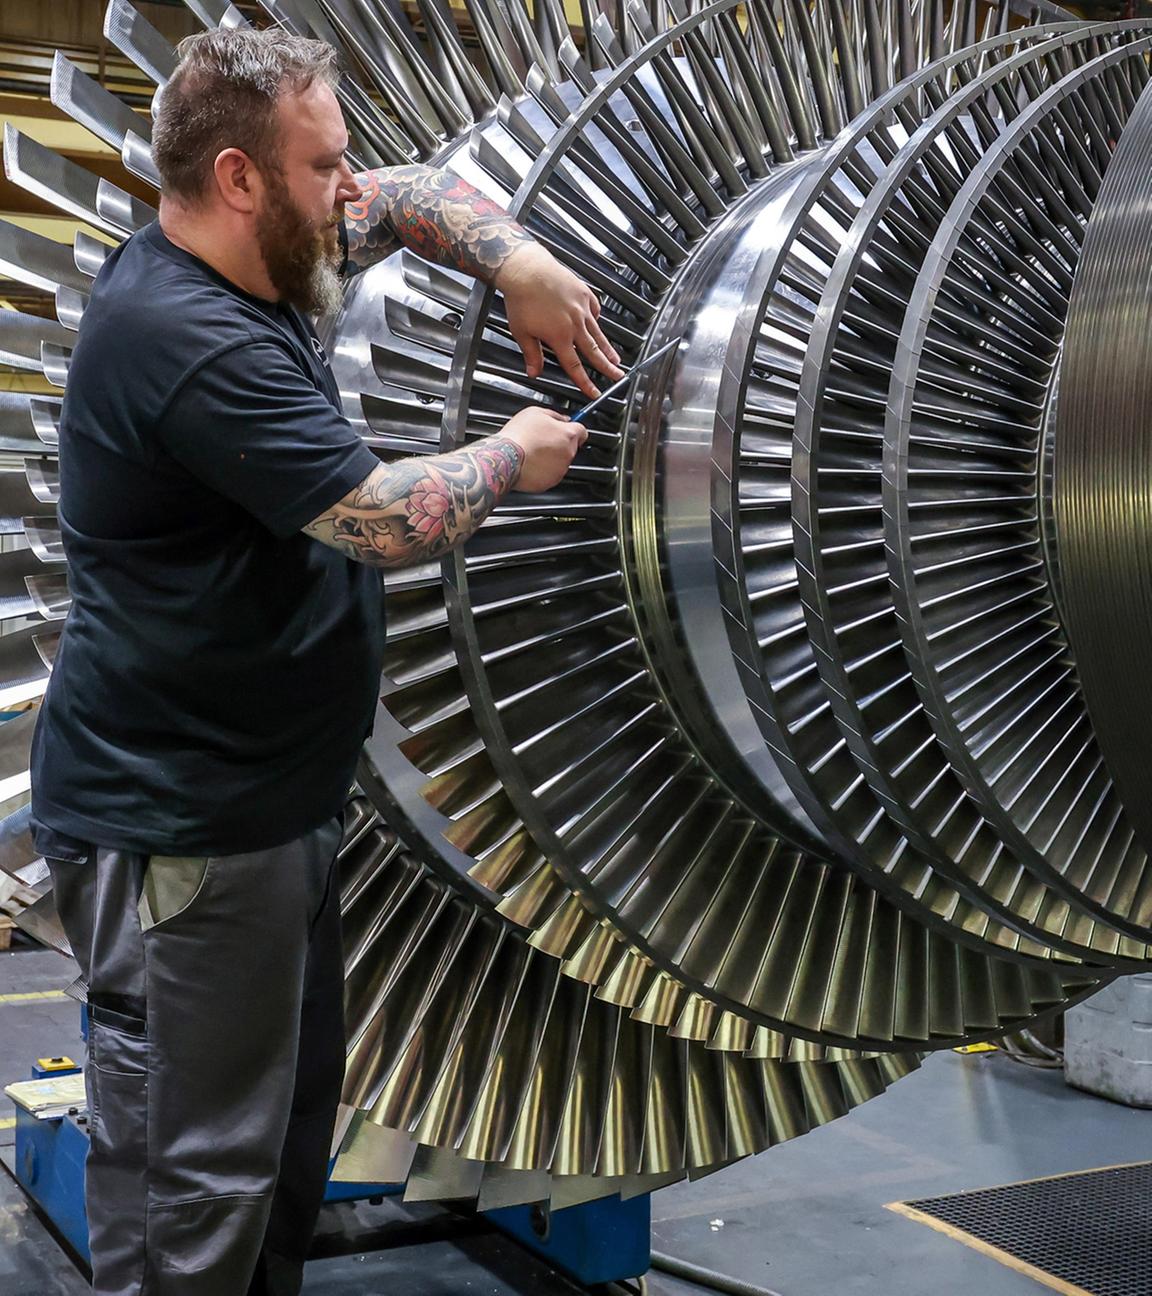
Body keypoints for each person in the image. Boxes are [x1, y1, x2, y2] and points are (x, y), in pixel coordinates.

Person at [29, 26, 624, 1296]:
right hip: (183, 833)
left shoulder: (263, 255)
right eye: (325, 165)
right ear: (241, 177)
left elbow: (407, 201)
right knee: (196, 1184)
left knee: (280, 1154)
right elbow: (382, 516)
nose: (351, 188)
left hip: (270, 811)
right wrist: (513, 455)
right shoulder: (192, 342)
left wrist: (518, 258)